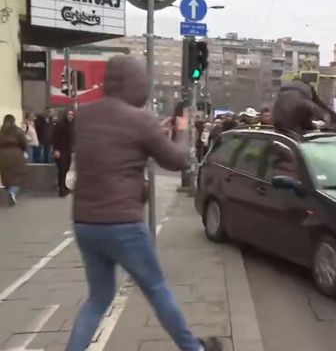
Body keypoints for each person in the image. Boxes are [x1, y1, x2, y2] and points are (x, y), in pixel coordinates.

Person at [66, 56, 222, 351]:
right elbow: (176, 160)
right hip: (122, 223)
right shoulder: (140, 120)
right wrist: (182, 131)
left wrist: (152, 131)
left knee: (98, 298)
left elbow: (112, 144)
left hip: (85, 222)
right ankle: (195, 349)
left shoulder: (85, 115)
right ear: (135, 83)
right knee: (156, 288)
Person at [0, 114, 27, 206]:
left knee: (6, 175)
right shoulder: (18, 131)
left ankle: (9, 191)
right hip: (16, 154)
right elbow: (24, 143)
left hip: (3, 155)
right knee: (18, 175)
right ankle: (12, 192)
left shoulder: (1, 131)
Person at [52, 109, 74, 197]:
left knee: (66, 169)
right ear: (65, 115)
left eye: (72, 115)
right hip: (60, 150)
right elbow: (55, 138)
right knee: (62, 170)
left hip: (68, 150)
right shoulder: (60, 124)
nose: (71, 116)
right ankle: (61, 189)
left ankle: (64, 186)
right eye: (69, 114)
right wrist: (56, 149)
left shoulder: (71, 125)